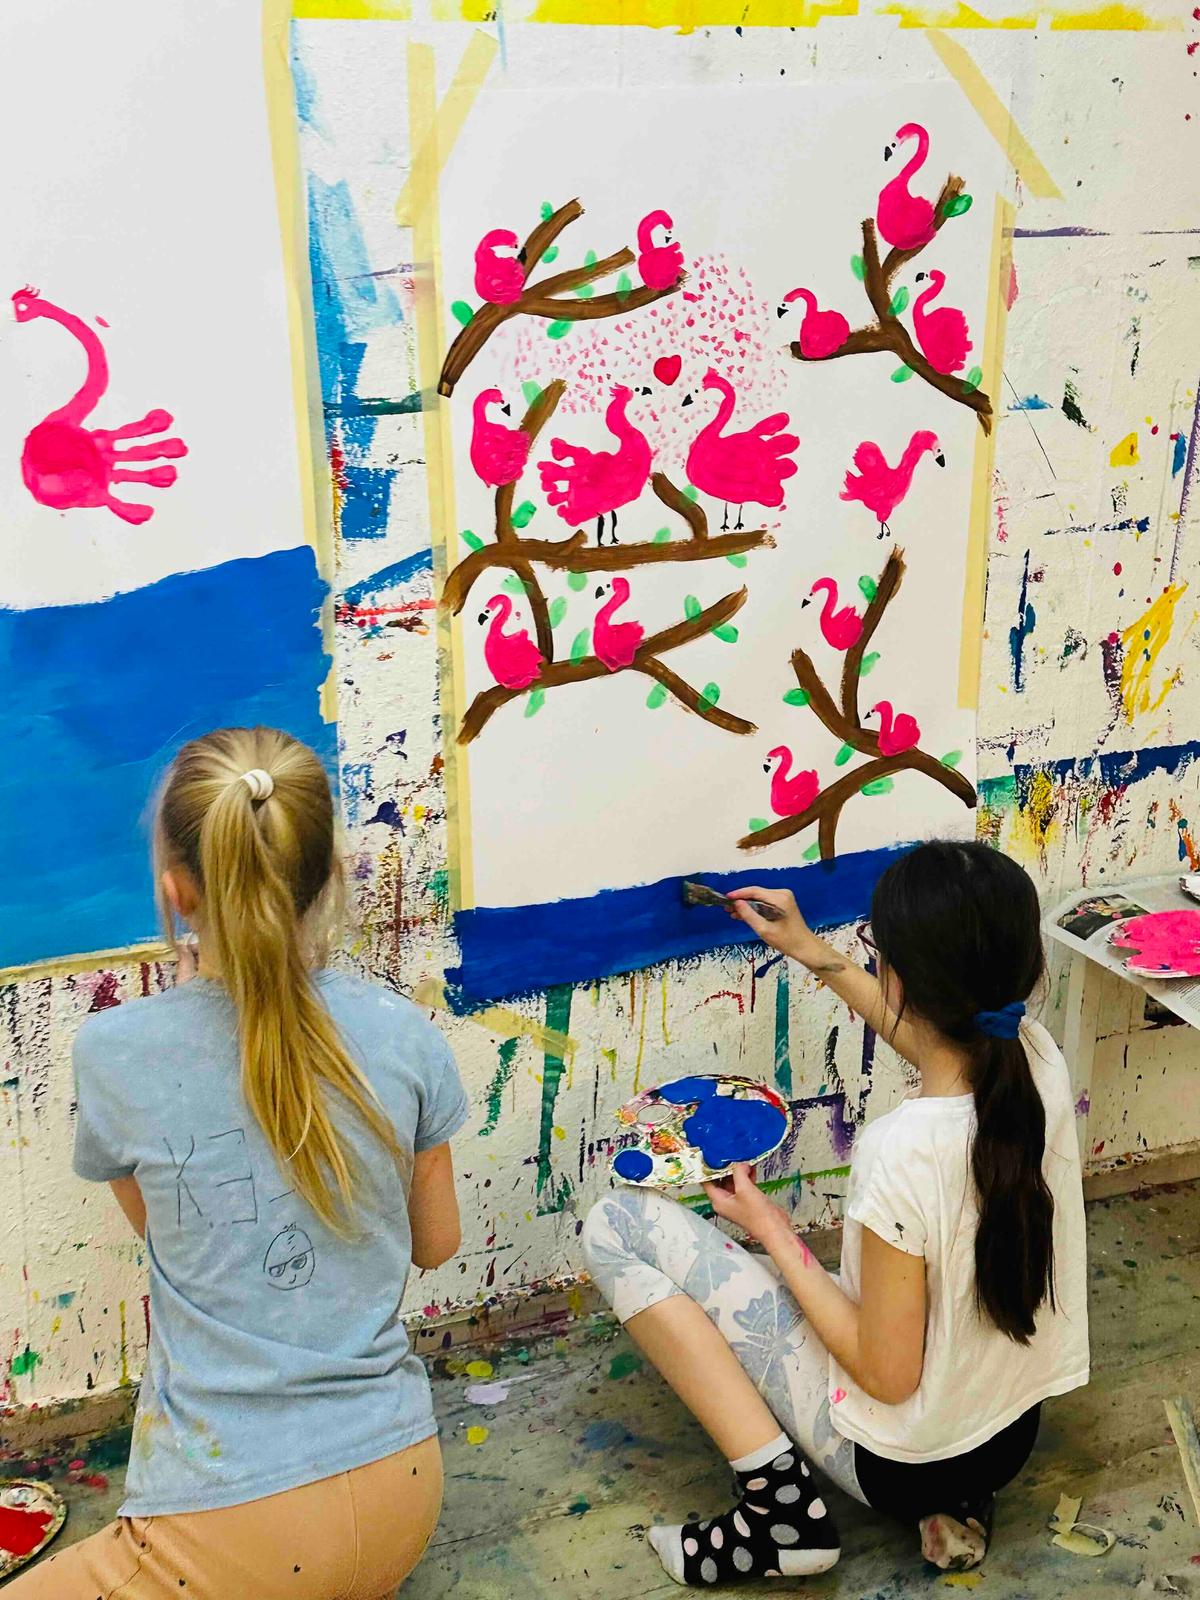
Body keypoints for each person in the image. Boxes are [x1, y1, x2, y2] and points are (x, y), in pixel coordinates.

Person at [11, 727, 468, 1599]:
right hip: (404, 1488)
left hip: (225, 1535)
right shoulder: (404, 1034)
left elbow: (173, 1238)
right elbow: (435, 1243)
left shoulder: (114, 1052)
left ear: (178, 890)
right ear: (329, 876)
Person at [583, 840, 1089, 1587]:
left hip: (902, 1466)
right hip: (1004, 1442)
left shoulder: (902, 1151)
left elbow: (884, 1374)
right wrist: (809, 949)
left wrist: (770, 1230)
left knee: (615, 1228)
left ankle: (778, 1516)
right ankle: (958, 1505)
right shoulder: (1034, 1059)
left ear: (902, 977)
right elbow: (934, 1035)